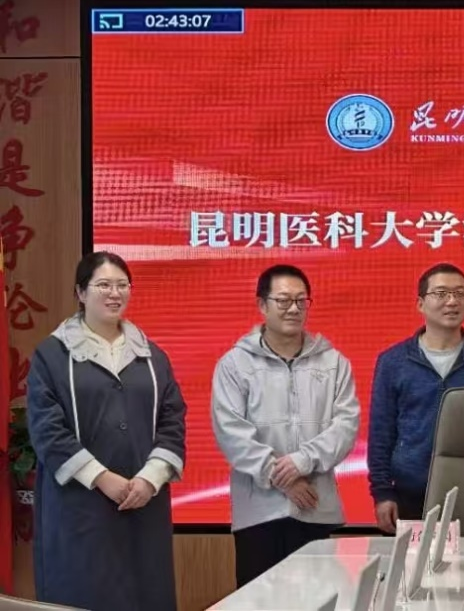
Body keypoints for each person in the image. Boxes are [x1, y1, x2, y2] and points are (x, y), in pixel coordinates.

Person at [27, 251, 187, 610]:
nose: (115, 293)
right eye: (103, 285)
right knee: (84, 594)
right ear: (81, 293)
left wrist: (150, 478)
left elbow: (173, 419)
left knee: (145, 595)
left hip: (143, 504)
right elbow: (46, 429)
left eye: (122, 285)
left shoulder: (152, 356)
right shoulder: (52, 355)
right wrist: (101, 477)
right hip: (79, 508)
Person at [211, 264, 360, 586]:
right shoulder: (234, 364)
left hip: (315, 505)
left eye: (301, 300)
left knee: (318, 600)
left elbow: (346, 425)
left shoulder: (334, 362)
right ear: (262, 305)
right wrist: (281, 477)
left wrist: (302, 461)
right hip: (259, 512)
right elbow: (231, 432)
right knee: (259, 601)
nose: (293, 308)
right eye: (283, 300)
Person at [368, 263, 464, 534]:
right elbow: (381, 432)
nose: (452, 301)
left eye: (460, 293)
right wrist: (382, 492)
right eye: (441, 293)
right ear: (420, 303)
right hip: (409, 494)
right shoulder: (393, 361)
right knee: (415, 563)